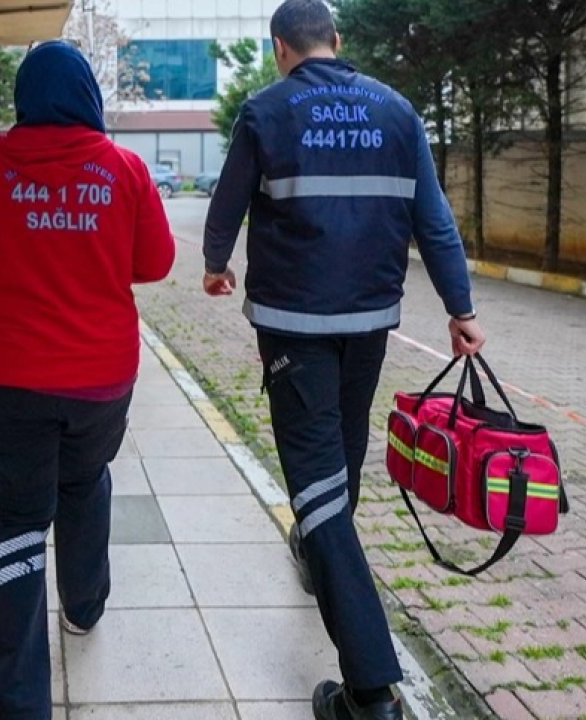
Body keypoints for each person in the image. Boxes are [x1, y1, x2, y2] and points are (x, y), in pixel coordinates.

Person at [201, 2, 486, 718]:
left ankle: (370, 691)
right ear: (337, 41)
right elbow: (434, 220)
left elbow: (228, 203)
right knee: (343, 452)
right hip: (368, 324)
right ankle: (319, 549)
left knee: (320, 487)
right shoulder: (397, 112)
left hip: (294, 328)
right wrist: (461, 309)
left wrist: (215, 263)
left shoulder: (266, 111)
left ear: (280, 49)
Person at [0, 41, 176, 720]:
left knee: (18, 520)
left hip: (4, 379)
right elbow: (156, 262)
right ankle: (84, 605)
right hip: (99, 381)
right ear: (88, 97)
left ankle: (20, 705)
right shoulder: (124, 169)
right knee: (84, 481)